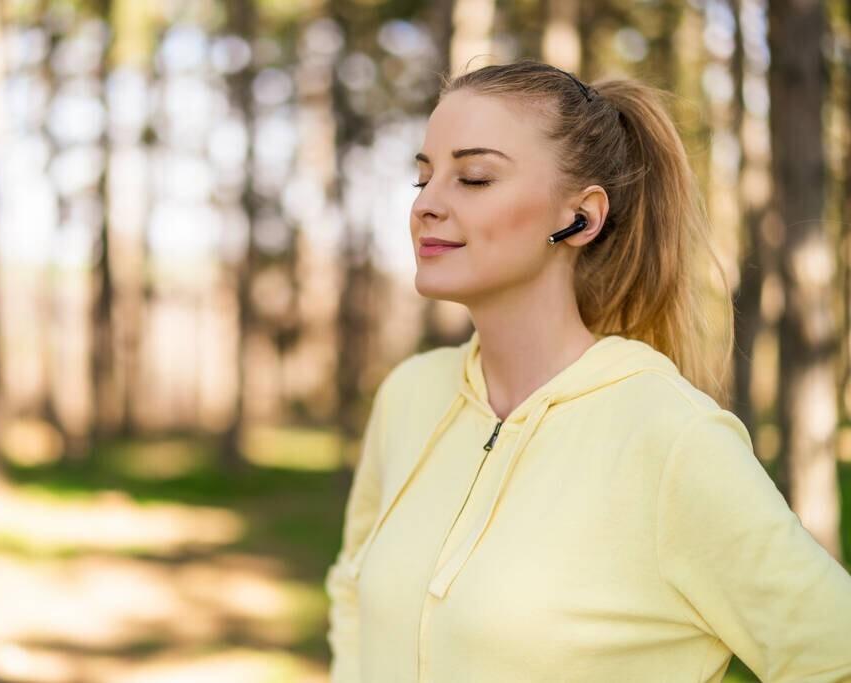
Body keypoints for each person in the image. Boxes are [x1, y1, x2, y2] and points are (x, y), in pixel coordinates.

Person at [323, 59, 851, 682]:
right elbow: (352, 587)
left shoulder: (672, 437)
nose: (427, 206)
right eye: (423, 179)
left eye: (473, 178)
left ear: (581, 217)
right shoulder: (408, 395)